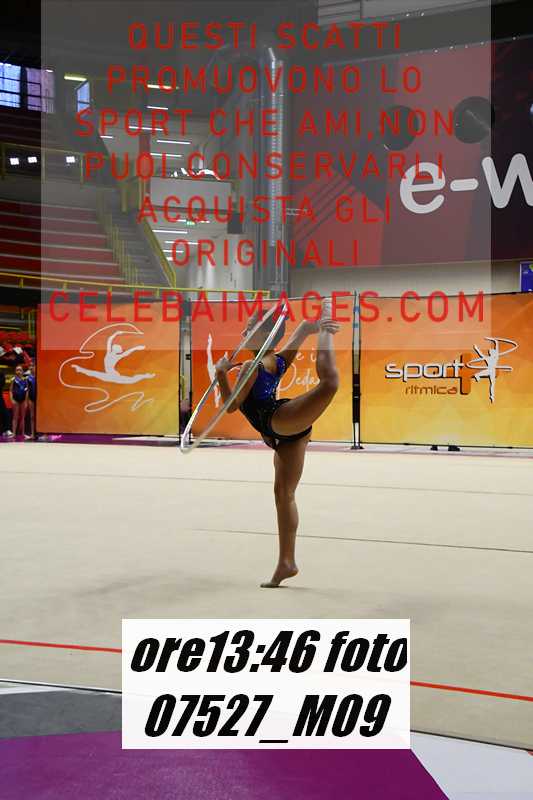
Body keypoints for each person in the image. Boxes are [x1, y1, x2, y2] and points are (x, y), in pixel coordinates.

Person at [215, 298, 340, 588]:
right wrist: (312, 325)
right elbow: (300, 331)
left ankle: (328, 328)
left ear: (265, 334)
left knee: (329, 383)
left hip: (279, 420)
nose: (243, 333)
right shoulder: (277, 360)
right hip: (283, 433)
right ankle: (286, 563)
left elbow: (231, 407)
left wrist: (221, 374)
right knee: (284, 495)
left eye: (249, 329)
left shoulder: (251, 366)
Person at [10, 365, 28, 439]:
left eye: (20, 370)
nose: (19, 371)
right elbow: (11, 390)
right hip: (16, 400)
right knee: (15, 417)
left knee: (23, 417)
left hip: (23, 400)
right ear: (15, 371)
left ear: (23, 371)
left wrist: (26, 401)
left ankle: (23, 433)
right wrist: (12, 400)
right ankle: (14, 433)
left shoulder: (25, 380)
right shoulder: (13, 380)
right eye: (17, 370)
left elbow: (27, 391)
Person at [0, 372, 14, 438]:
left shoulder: (1, 374)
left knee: (5, 413)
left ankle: (6, 430)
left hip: (0, 397)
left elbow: (2, 383)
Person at [27, 361, 36, 439]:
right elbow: (27, 389)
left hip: (39, 399)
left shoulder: (39, 376)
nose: (31, 367)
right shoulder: (28, 378)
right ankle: (33, 434)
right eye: (30, 366)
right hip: (31, 399)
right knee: (32, 416)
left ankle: (43, 433)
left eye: (32, 366)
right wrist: (27, 401)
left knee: (40, 416)